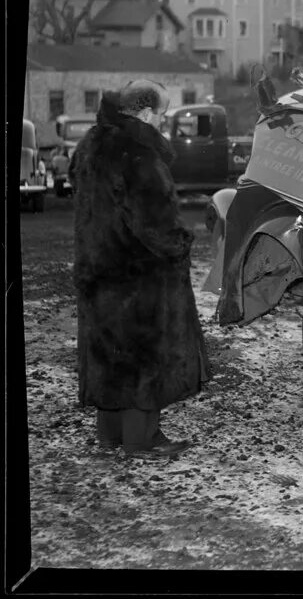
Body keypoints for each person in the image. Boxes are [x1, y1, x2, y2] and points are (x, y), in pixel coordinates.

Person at [70, 80, 208, 460]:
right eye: (161, 116)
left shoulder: (90, 145)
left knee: (109, 353)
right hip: (139, 278)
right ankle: (141, 440)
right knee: (144, 355)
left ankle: (111, 434)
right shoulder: (140, 154)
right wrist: (182, 243)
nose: (161, 124)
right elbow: (154, 222)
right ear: (147, 113)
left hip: (98, 271)